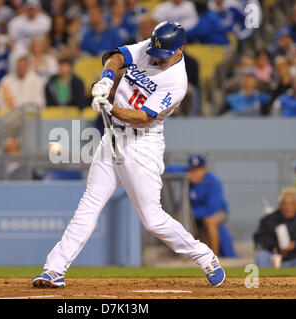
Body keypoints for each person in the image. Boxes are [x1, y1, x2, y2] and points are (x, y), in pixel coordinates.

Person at [32, 22, 226, 288]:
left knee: (152, 220)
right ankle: (54, 269)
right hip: (113, 137)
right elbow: (117, 56)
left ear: (180, 49)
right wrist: (106, 79)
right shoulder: (152, 46)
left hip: (142, 145)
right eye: (155, 51)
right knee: (89, 204)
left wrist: (109, 107)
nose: (157, 58)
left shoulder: (176, 82)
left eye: (163, 55)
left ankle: (205, 257)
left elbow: (144, 117)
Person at [169, 154, 236, 257]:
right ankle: (183, 256)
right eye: (192, 170)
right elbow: (167, 169)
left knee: (209, 221)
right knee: (177, 219)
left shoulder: (213, 181)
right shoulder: (188, 174)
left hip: (218, 212)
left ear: (204, 169)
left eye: (198, 170)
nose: (194, 173)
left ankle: (214, 257)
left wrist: (190, 214)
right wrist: (185, 174)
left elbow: (211, 209)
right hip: (195, 213)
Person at [253, 191, 296, 267]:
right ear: (280, 205)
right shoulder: (269, 219)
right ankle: (266, 279)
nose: (287, 207)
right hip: (275, 257)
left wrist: (295, 245)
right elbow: (259, 239)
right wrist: (276, 244)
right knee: (262, 256)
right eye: (284, 204)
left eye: (291, 204)